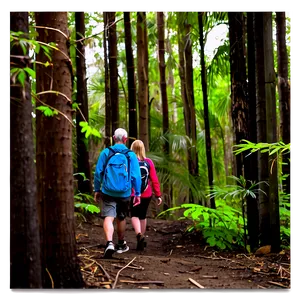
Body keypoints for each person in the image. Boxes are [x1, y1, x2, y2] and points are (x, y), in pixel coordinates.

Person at [94, 128, 141, 258]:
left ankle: (109, 243)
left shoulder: (106, 152)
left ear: (114, 138)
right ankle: (120, 244)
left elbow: (98, 173)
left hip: (107, 191)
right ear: (125, 140)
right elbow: (136, 176)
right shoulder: (130, 155)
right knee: (121, 217)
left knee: (109, 217)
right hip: (125, 192)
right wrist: (137, 193)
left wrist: (97, 190)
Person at [130, 139, 162, 251]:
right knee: (142, 216)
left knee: (134, 214)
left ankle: (138, 234)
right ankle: (141, 237)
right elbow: (154, 179)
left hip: (133, 193)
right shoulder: (149, 162)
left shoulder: (130, 161)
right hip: (146, 193)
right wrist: (158, 195)